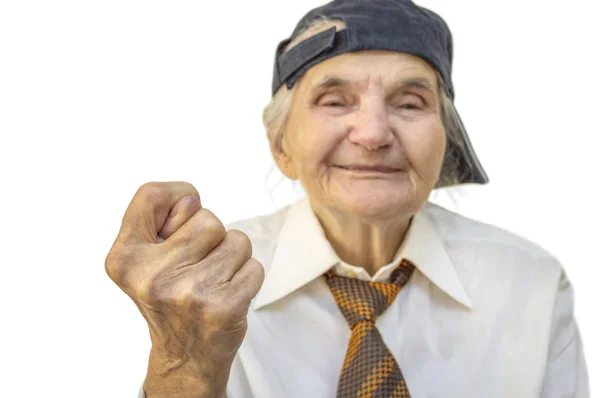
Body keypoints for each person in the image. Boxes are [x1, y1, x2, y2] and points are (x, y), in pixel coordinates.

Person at [105, 0, 589, 397]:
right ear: (282, 148)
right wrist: (184, 363)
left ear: (445, 148)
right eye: (334, 101)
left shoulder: (532, 284)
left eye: (409, 102)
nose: (374, 134)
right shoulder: (199, 293)